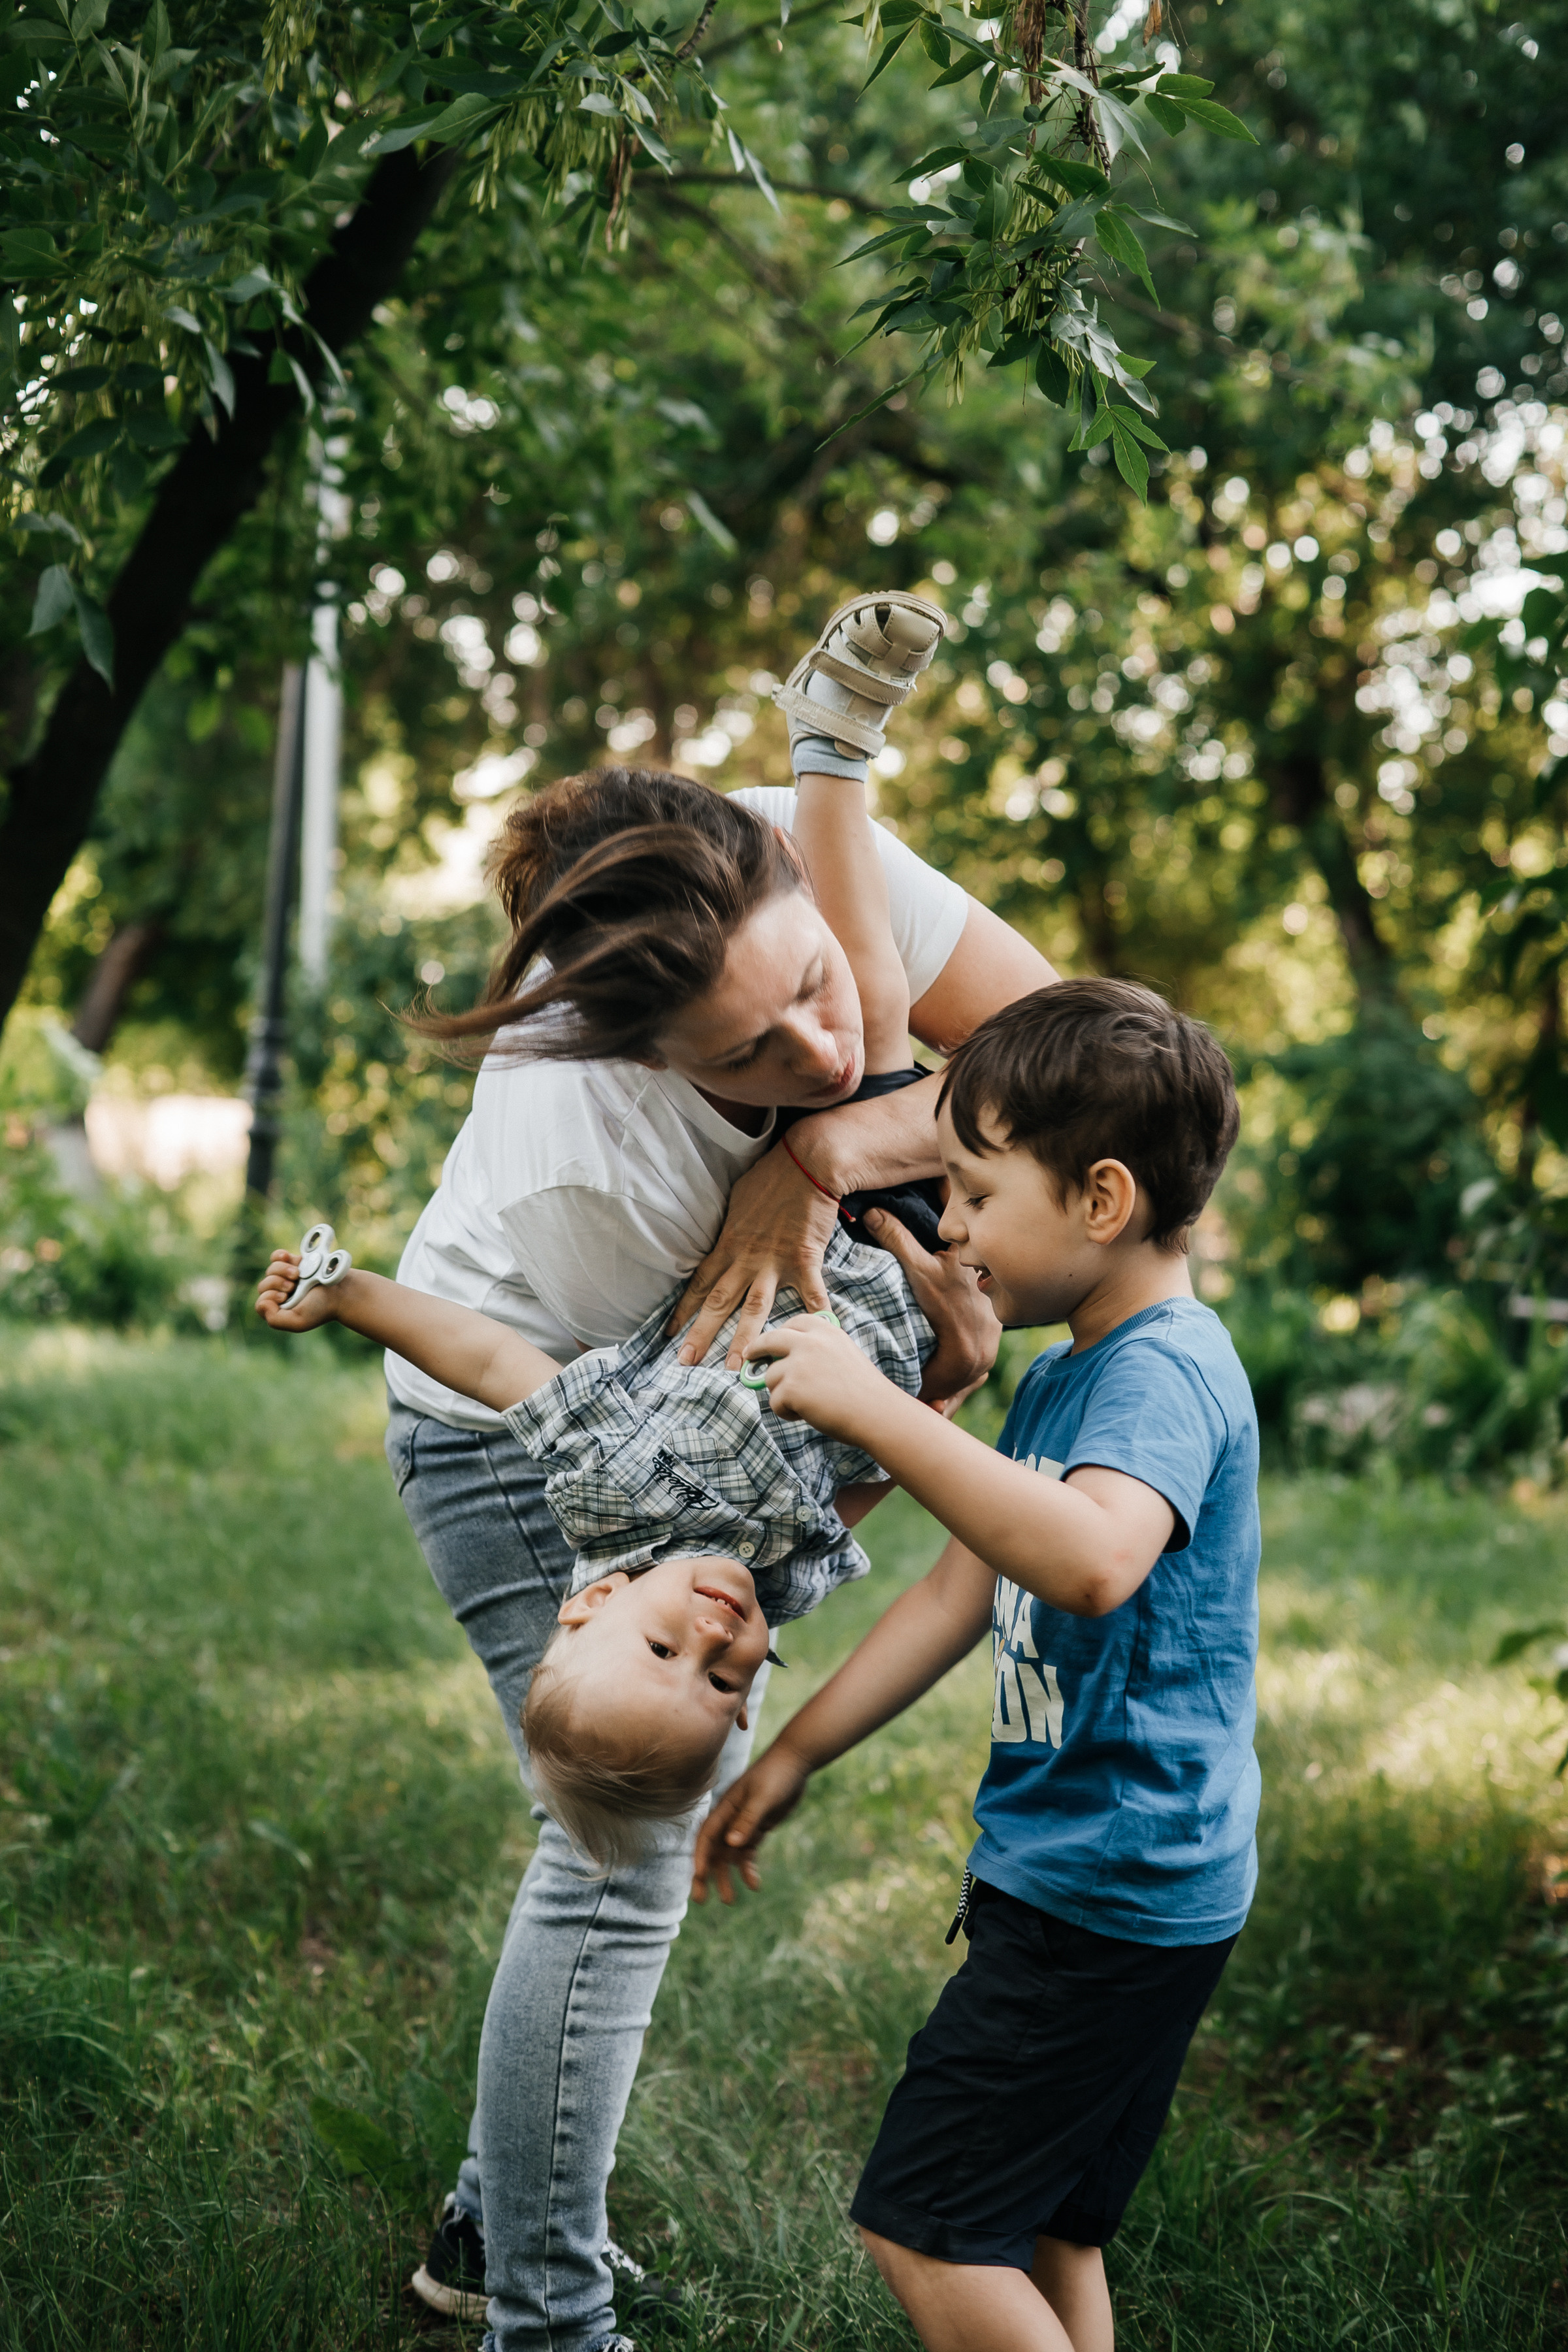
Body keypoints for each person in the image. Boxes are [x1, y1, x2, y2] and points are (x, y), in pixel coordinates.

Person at [374, 589, 1059, 2351]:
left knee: (627, 1845)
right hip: (534, 1432)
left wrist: (824, 1147)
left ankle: (493, 2210)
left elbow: (1087, 1069)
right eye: (749, 1062)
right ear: (636, 1057)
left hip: (731, 1403)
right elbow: (734, 1496)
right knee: (621, 1843)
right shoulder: (592, 1181)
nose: (815, 1045)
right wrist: (923, 1410)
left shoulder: (801, 891)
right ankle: (542, 2309)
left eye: (818, 988)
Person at [694, 978, 1260, 2352]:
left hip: (1102, 1897)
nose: (950, 1227)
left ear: (1102, 1201)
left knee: (929, 2222)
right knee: (1047, 2220)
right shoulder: (1074, 1374)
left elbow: (1092, 1560)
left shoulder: (1161, 1375)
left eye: (976, 1192)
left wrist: (885, 1412)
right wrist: (798, 1749)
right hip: (1114, 1883)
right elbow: (964, 1587)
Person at [252, 1203, 935, 1864]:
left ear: (596, 1600)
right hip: (929, 1291)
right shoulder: (783, 1586)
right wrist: (937, 1402)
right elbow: (873, 1473)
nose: (714, 1640)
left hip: (829, 1236)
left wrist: (349, 1297)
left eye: (663, 1649)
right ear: (742, 1716)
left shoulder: (612, 1483)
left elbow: (491, 1362)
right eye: (723, 1684)